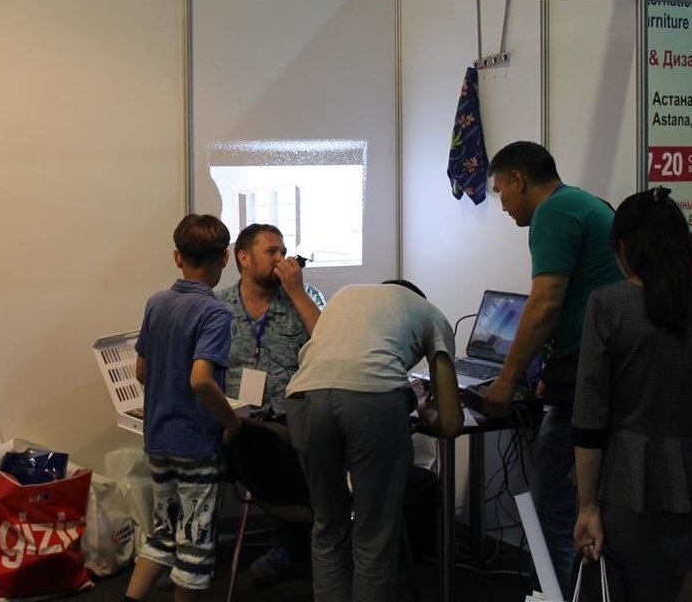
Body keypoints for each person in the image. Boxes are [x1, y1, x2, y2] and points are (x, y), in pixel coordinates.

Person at [572, 188, 692, 602]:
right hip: (689, 475)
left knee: (615, 588)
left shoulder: (609, 304)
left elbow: (589, 419)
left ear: (624, 245)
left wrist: (586, 506)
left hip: (620, 476)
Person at [482, 141, 622, 597]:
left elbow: (545, 304)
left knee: (556, 510)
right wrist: (548, 369)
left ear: (518, 180)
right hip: (595, 370)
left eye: (501, 191)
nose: (503, 204)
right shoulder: (587, 203)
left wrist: (507, 380)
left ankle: (560, 595)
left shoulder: (554, 212)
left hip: (588, 375)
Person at [284, 280, 462, 602]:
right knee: (374, 538)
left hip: (304, 397)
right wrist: (426, 412)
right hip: (372, 398)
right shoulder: (432, 315)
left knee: (327, 528)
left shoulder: (347, 295)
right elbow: (451, 422)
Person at [124, 214, 241, 602]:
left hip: (159, 436)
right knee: (194, 542)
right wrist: (231, 422)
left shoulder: (156, 303)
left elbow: (141, 371)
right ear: (225, 258)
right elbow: (201, 379)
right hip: (195, 442)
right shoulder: (215, 313)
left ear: (177, 257)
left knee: (164, 530)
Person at [217, 222, 321, 585]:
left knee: (306, 456)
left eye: (284, 251)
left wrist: (298, 293)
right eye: (272, 251)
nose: (282, 259)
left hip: (292, 420)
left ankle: (288, 544)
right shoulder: (217, 306)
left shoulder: (305, 297)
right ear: (244, 258)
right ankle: (186, 553)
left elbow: (329, 344)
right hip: (236, 423)